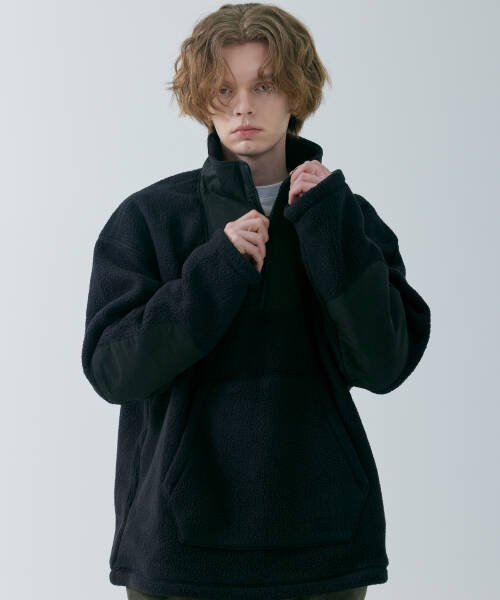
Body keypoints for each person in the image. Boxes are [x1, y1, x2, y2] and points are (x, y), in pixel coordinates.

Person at [81, 3, 431, 599]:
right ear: (202, 98)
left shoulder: (346, 218)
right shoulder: (149, 218)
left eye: (264, 85)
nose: (243, 106)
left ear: (296, 94)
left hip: (324, 551)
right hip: (178, 557)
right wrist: (217, 270)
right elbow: (114, 371)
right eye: (224, 88)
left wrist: (328, 231)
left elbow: (384, 364)